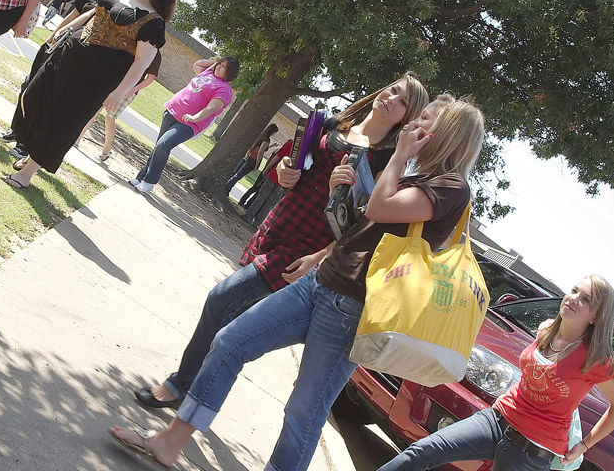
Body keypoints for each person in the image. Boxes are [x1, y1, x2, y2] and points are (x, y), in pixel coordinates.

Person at [113, 98, 486, 471]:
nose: (413, 125)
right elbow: (366, 226)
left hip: (353, 309)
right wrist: (336, 207)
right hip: (321, 282)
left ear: (448, 134)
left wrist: (400, 155)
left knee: (304, 408)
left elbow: (382, 210)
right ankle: (170, 442)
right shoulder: (415, 176)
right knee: (230, 341)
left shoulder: (450, 188)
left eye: (425, 120)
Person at [131, 79, 435, 411]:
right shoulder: (334, 124)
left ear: (408, 116)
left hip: (306, 248)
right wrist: (285, 169)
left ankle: (179, 387)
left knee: (221, 299)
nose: (392, 98)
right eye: (393, 90)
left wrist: (319, 257)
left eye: (403, 101)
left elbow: (363, 223)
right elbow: (293, 166)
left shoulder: (387, 160)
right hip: (279, 223)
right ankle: (194, 402)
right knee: (233, 324)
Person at [315, 275, 614, 471]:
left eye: (585, 300)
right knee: (423, 452)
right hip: (497, 420)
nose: (573, 299)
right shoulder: (547, 330)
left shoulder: (598, 361)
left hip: (530, 452)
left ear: (596, 316)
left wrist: (585, 444)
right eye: (574, 291)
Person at [1, 0, 177, 189]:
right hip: (69, 53)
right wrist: (65, 29)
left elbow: (141, 62)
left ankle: (27, 172)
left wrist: (119, 93)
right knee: (33, 94)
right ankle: (32, 149)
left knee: (63, 121)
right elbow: (93, 13)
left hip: (95, 79)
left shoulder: (153, 22)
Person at [0, 0, 137, 152]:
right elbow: (72, 17)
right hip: (60, 43)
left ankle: (26, 144)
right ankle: (17, 130)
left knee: (49, 97)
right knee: (29, 86)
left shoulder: (122, 8)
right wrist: (52, 38)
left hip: (78, 57)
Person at [129, 57, 239, 194]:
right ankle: (141, 178)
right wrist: (213, 61)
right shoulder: (207, 72)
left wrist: (194, 118)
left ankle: (149, 182)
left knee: (163, 144)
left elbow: (212, 108)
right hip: (171, 112)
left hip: (189, 124)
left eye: (223, 67)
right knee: (159, 148)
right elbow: (197, 64)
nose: (219, 67)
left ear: (230, 72)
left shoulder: (225, 89)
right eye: (219, 64)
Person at [73, 51, 162, 163]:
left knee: (110, 117)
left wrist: (132, 90)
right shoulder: (136, 45)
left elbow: (150, 78)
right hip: (114, 82)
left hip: (129, 90)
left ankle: (106, 151)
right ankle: (76, 140)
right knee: (94, 110)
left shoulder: (155, 55)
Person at [225, 123, 279, 196]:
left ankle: (225, 187)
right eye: (275, 132)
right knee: (238, 175)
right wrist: (257, 164)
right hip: (252, 159)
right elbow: (260, 152)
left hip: (248, 156)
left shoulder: (261, 135)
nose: (274, 134)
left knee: (235, 173)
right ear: (272, 131)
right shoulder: (266, 140)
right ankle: (226, 188)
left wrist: (272, 146)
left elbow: (261, 148)